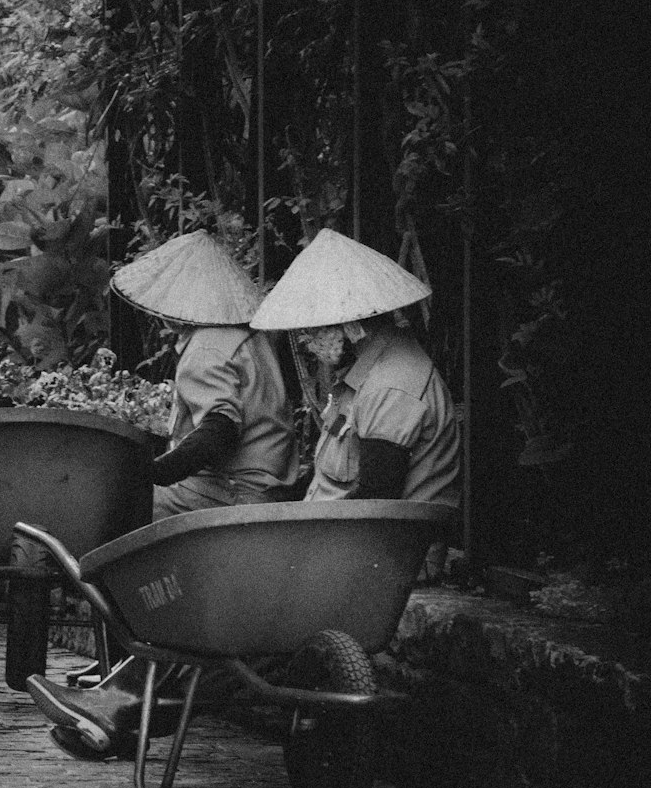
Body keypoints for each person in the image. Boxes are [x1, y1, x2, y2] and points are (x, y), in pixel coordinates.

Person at [25, 230, 299, 757]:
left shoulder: (207, 346)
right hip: (262, 491)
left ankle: (124, 662)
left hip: (228, 495)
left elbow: (220, 428)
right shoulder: (249, 338)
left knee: (104, 521)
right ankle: (121, 681)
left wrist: (151, 473)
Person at [249, 227, 461, 509]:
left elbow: (374, 505)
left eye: (316, 328)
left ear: (351, 325)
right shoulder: (366, 372)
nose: (308, 340)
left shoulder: (389, 386)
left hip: (367, 543)